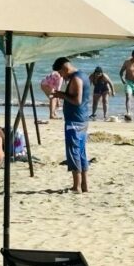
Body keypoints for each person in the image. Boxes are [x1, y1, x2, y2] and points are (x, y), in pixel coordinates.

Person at [51, 57, 91, 194]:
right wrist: (61, 94)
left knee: (74, 152)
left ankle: (77, 186)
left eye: (61, 73)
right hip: (82, 118)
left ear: (65, 68)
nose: (62, 77)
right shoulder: (83, 75)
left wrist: (61, 95)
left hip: (75, 120)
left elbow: (77, 100)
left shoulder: (76, 79)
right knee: (81, 152)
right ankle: (85, 185)